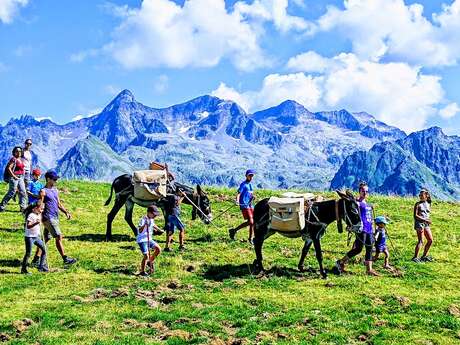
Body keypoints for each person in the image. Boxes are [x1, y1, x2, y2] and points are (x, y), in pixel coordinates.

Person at [31, 170, 76, 266]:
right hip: (48, 218)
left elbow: (58, 204)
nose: (56, 181)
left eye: (56, 179)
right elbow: (39, 204)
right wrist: (37, 214)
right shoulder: (43, 191)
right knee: (59, 236)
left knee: (45, 239)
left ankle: (36, 260)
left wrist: (66, 212)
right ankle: (65, 258)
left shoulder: (55, 190)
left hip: (55, 216)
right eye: (54, 179)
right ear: (48, 179)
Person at [336, 182, 379, 276]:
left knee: (369, 248)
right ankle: (341, 262)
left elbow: (370, 217)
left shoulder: (368, 204)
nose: (365, 193)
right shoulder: (357, 203)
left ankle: (369, 270)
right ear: (359, 191)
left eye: (366, 191)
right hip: (361, 228)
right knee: (358, 249)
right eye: (363, 191)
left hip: (369, 229)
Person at [229, 169, 256, 244]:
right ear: (246, 176)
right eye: (249, 175)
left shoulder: (250, 185)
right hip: (244, 204)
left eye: (252, 176)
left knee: (251, 222)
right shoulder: (243, 184)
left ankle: (234, 230)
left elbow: (250, 194)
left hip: (250, 205)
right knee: (251, 221)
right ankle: (250, 239)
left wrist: (253, 197)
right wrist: (237, 200)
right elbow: (239, 193)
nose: (251, 177)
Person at [21, 201, 48, 274]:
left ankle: (41, 267)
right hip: (30, 237)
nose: (42, 210)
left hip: (36, 237)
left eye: (43, 209)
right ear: (36, 208)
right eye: (41, 209)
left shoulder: (39, 214)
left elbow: (40, 221)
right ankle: (23, 270)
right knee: (28, 253)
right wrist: (36, 223)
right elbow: (28, 226)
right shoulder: (31, 215)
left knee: (44, 249)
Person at [137, 205, 162, 276]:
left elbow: (153, 225)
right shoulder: (143, 219)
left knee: (158, 249)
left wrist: (159, 230)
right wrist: (145, 225)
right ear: (149, 212)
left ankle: (150, 261)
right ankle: (142, 271)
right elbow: (140, 230)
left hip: (149, 239)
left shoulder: (151, 219)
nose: (155, 216)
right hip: (142, 240)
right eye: (154, 214)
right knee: (146, 256)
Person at [0, 146, 27, 212]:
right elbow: (9, 168)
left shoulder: (21, 159)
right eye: (17, 151)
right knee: (12, 192)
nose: (19, 152)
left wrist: (23, 175)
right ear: (14, 152)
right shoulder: (13, 159)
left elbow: (22, 168)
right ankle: (1, 206)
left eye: (20, 151)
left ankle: (23, 207)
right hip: (14, 177)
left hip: (20, 177)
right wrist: (14, 176)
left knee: (23, 192)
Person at [412, 188, 433, 263]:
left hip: (426, 224)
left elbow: (427, 213)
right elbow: (415, 216)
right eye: (419, 195)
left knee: (430, 240)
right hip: (419, 224)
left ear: (426, 196)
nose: (420, 196)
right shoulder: (417, 204)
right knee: (421, 241)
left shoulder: (428, 203)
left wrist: (427, 220)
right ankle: (415, 257)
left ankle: (424, 256)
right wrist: (425, 220)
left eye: (422, 195)